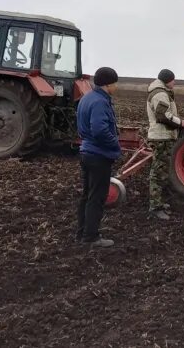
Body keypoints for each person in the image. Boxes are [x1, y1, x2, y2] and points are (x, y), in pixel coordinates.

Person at [75, 67, 121, 247]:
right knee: (97, 197)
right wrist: (115, 144)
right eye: (115, 83)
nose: (116, 86)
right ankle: (91, 237)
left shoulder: (86, 98)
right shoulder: (100, 102)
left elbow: (82, 127)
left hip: (86, 152)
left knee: (87, 195)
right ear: (108, 84)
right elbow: (100, 130)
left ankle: (81, 233)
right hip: (98, 156)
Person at [146, 69, 184, 220]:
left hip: (164, 136)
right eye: (173, 80)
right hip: (161, 137)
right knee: (158, 172)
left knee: (162, 171)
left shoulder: (161, 91)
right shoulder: (160, 93)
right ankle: (155, 207)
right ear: (167, 80)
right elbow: (162, 116)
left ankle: (159, 203)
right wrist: (180, 122)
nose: (174, 83)